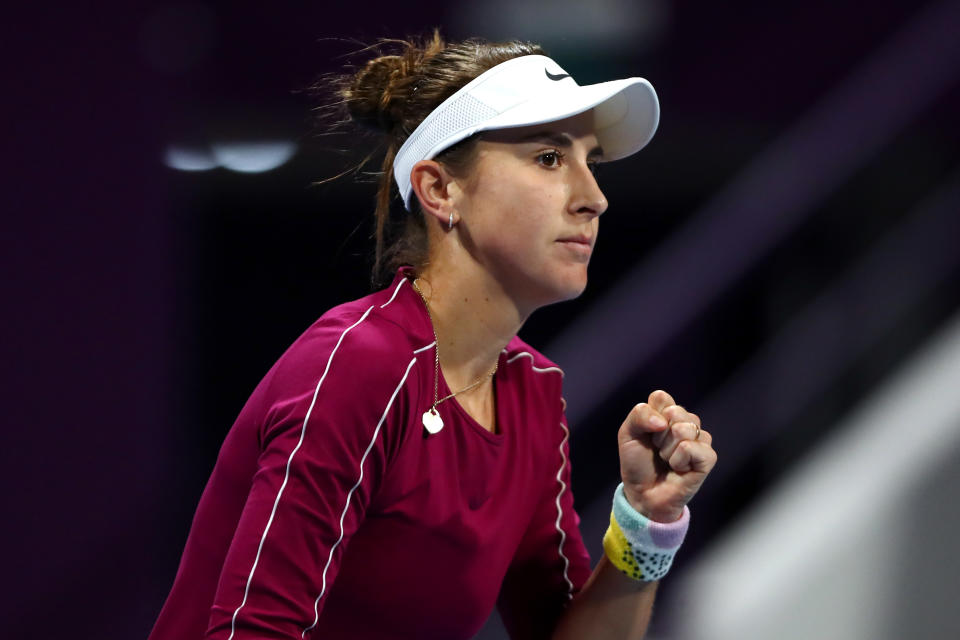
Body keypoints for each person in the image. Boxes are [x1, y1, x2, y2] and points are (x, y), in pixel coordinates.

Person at [149, 32, 717, 640]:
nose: (594, 198)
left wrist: (645, 522)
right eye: (549, 158)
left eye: (592, 162)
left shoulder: (533, 391)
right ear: (441, 190)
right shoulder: (357, 365)